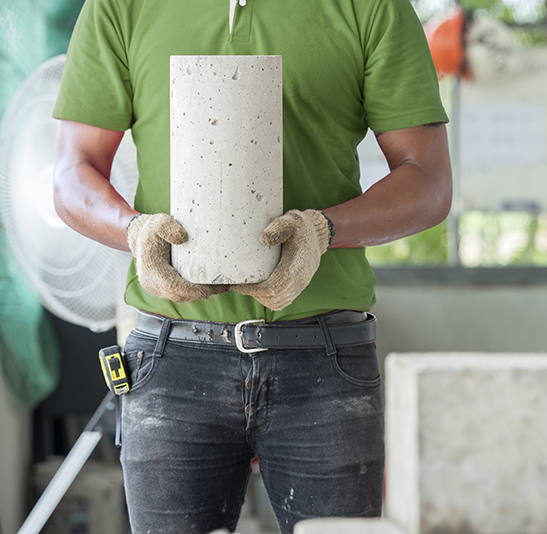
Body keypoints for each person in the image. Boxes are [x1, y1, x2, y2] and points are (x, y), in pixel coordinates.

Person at [51, 0, 452, 532]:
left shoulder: (370, 6)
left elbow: (428, 180)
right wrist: (133, 231)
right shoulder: (122, 6)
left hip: (324, 361)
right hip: (172, 361)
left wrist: (323, 230)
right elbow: (71, 172)